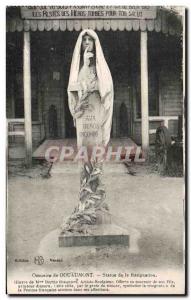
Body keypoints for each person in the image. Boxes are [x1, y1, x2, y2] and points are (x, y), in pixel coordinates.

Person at [61, 30, 113, 233]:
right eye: (84, 41)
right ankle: (85, 203)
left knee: (96, 160)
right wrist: (84, 67)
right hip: (84, 123)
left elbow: (106, 88)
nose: (87, 43)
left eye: (90, 40)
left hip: (96, 122)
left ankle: (97, 204)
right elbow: (73, 88)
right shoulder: (81, 70)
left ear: (95, 43)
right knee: (85, 161)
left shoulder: (101, 69)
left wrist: (95, 81)